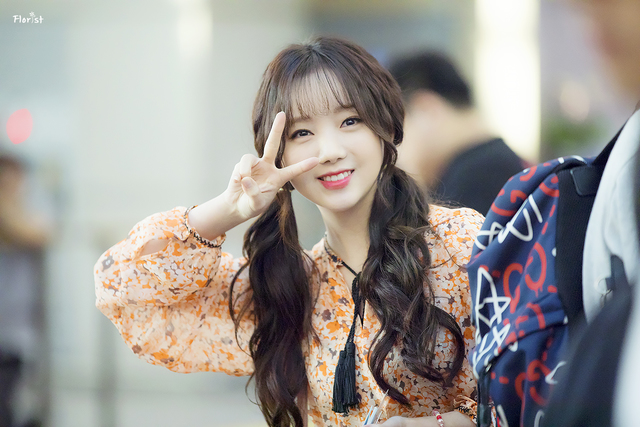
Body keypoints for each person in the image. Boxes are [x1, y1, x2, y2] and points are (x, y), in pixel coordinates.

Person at [94, 37, 484, 427]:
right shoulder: (286, 288)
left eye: (350, 121)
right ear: (277, 153)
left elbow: (514, 388)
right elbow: (123, 290)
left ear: (385, 126)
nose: (330, 151)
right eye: (301, 133)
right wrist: (227, 210)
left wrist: (437, 424)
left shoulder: (460, 243)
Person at [388, 52, 527, 215]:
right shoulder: (491, 164)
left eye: (395, 135)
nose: (395, 156)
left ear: (427, 109)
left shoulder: (478, 178)